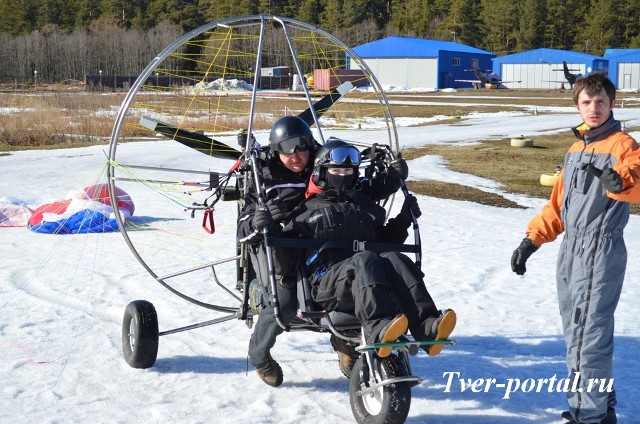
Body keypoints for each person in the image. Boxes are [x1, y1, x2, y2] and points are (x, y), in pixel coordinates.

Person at [511, 73, 640, 424]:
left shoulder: (622, 145)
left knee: (589, 334)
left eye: (600, 102)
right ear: (577, 106)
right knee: (577, 331)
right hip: (572, 250)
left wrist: (621, 181)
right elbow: (558, 206)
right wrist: (532, 239)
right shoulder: (576, 148)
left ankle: (589, 415)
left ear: (612, 104)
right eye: (586, 102)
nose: (594, 108)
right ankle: (602, 402)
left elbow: (635, 174)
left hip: (601, 248)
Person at [238, 117, 406, 387]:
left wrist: (390, 181)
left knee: (357, 283)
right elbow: (243, 228)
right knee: (287, 301)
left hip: (325, 249)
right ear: (275, 149)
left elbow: (355, 187)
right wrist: (261, 219)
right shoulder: (266, 182)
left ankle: (345, 339)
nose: (296, 155)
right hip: (286, 255)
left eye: (302, 147)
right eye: (288, 148)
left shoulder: (321, 165)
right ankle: (258, 354)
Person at [281, 139, 456, 360]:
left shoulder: (365, 207)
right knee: (364, 259)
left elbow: (383, 242)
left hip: (366, 276)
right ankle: (377, 327)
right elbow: (285, 255)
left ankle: (427, 325)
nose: (342, 175)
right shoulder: (307, 210)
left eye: (348, 170)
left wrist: (403, 220)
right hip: (327, 283)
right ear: (322, 173)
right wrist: (268, 228)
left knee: (394, 257)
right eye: (336, 169)